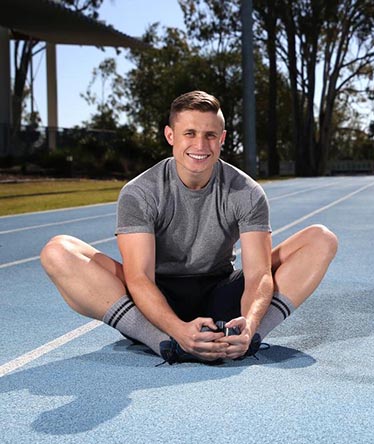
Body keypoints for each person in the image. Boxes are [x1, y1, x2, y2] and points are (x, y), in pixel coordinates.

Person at [41, 90, 338, 364]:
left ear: (222, 138)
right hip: (157, 301)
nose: (200, 145)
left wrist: (250, 321)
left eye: (210, 135)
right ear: (171, 135)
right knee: (57, 251)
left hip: (221, 294)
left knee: (321, 239)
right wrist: (175, 330)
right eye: (190, 133)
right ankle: (164, 343)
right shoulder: (140, 192)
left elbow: (258, 273)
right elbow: (139, 277)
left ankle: (248, 339)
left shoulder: (246, 191)